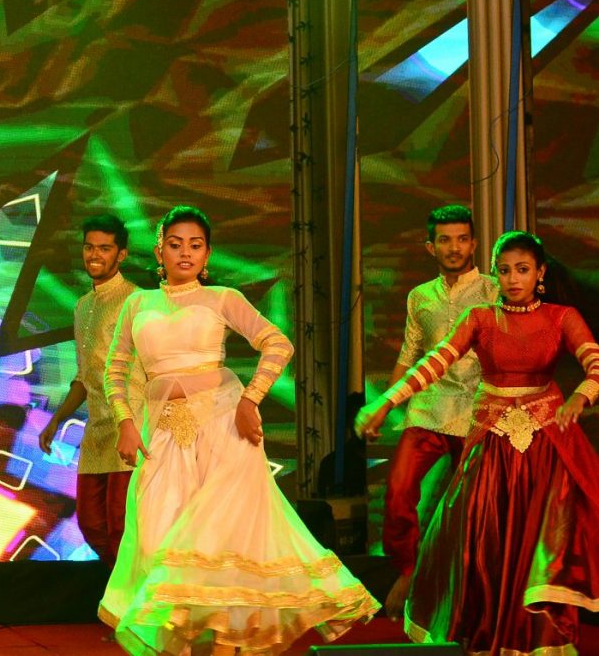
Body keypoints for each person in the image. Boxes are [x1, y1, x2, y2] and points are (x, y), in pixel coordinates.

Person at [99, 206, 378, 655]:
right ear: (159, 250)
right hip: (163, 437)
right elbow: (114, 371)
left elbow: (278, 343)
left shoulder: (222, 298)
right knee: (155, 544)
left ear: (207, 253)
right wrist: (125, 422)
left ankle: (226, 648)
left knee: (220, 549)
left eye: (195, 245)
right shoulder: (138, 304)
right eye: (175, 244)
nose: (185, 253)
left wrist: (251, 399)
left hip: (222, 432)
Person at [356, 231, 599, 655]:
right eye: (504, 270)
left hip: (544, 450)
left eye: (522, 270)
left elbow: (595, 364)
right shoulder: (480, 317)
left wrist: (581, 396)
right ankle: (488, 637)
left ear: (540, 273)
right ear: (494, 273)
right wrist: (385, 401)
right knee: (483, 544)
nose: (513, 279)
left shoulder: (562, 316)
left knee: (536, 549)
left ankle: (538, 641)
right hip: (491, 448)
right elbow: (434, 363)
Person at [376, 205, 497, 615]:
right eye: (445, 240)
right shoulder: (420, 296)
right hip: (428, 409)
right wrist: (384, 407)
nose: (454, 248)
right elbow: (409, 355)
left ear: (474, 244)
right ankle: (408, 571)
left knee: (476, 508)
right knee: (398, 492)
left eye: (462, 239)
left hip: (478, 411)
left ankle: (471, 590)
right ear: (431, 247)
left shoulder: (494, 291)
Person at [37, 214, 144, 566]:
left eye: (105, 248)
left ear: (121, 255)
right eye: (89, 247)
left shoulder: (137, 301)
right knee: (92, 524)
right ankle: (124, 589)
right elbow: (84, 376)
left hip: (130, 426)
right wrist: (56, 420)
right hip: (96, 431)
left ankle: (129, 596)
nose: (95, 254)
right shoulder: (83, 305)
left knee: (122, 527)